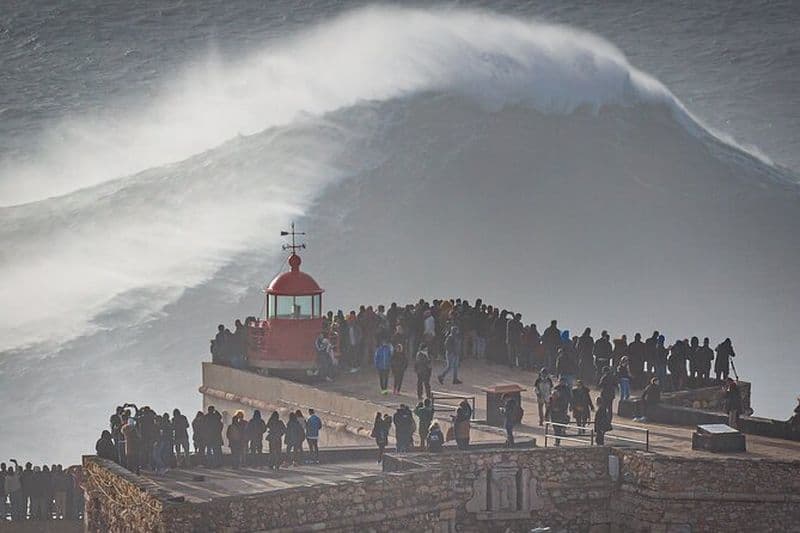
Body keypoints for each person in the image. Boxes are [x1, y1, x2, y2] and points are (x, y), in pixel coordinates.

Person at [549, 377, 572, 446]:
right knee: (555, 427)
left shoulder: (567, 389)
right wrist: (547, 415)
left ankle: (558, 438)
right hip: (553, 414)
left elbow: (570, 397)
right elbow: (549, 406)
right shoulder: (556, 388)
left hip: (563, 408)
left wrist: (571, 405)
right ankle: (558, 438)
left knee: (559, 425)